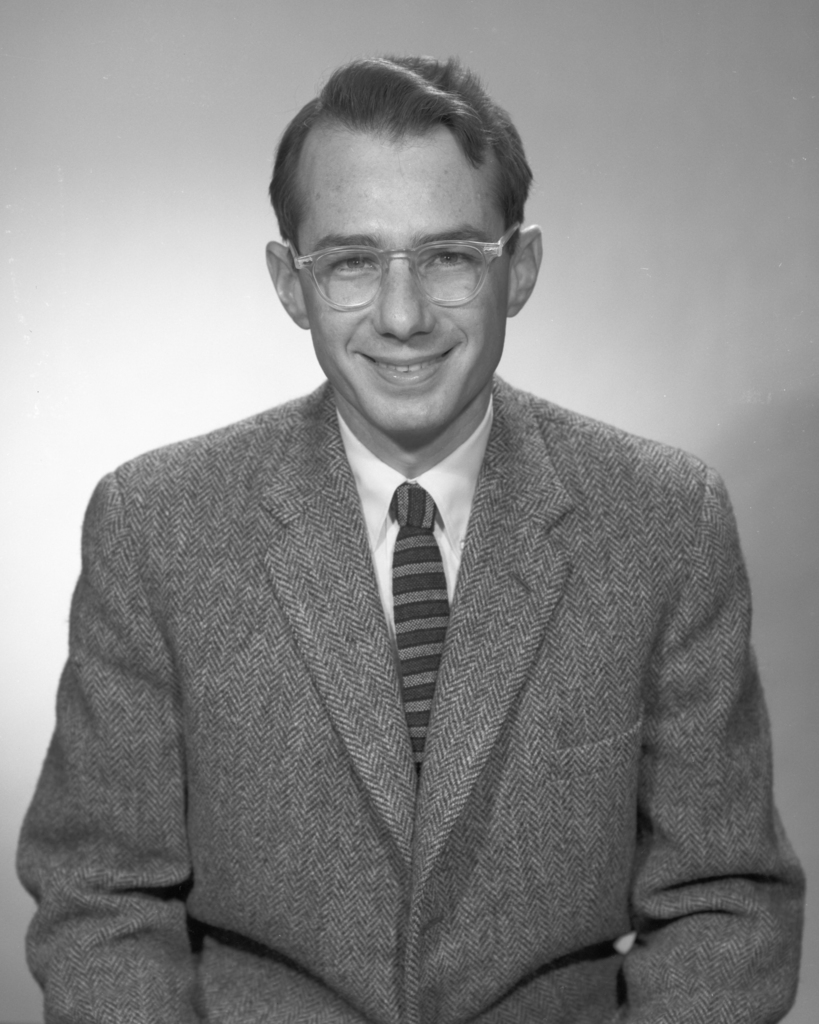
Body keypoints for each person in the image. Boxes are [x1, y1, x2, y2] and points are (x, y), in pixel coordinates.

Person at [18, 55, 804, 1024]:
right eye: (352, 261)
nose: (402, 314)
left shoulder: (666, 522)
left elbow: (725, 904)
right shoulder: (156, 525)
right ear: (289, 283)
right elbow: (103, 897)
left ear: (518, 271)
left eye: (447, 257)